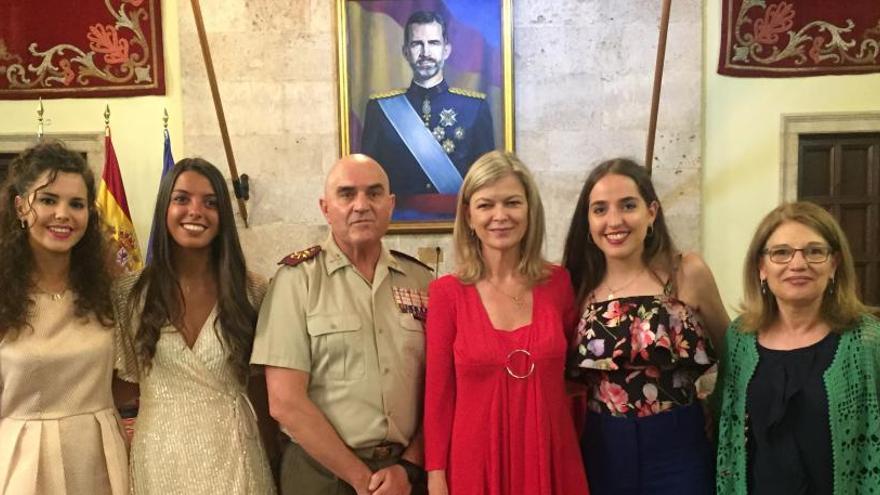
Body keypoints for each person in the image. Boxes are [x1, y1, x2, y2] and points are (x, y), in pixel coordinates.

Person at [251, 154, 434, 495]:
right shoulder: (297, 281)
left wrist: (408, 468)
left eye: (374, 193)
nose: (361, 205)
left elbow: (439, 391)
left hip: (404, 476)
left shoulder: (422, 282)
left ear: (390, 204)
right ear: (325, 207)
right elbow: (284, 401)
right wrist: (362, 480)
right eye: (347, 194)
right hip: (322, 475)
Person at [424, 150, 589, 494]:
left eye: (512, 202)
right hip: (474, 463)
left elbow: (578, 378)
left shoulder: (559, 284)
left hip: (551, 455)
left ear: (530, 210)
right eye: (486, 205)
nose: (500, 216)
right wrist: (436, 475)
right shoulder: (447, 293)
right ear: (468, 216)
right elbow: (438, 396)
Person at [562, 158, 729, 495]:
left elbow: (735, 352)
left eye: (628, 205)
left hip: (679, 444)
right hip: (601, 445)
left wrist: (717, 407)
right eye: (600, 209)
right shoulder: (576, 284)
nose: (614, 221)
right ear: (588, 221)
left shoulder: (686, 272)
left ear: (652, 212)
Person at [113, 158, 275, 494]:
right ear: (165, 208)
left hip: (235, 455)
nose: (196, 211)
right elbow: (120, 390)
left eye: (210, 202)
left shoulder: (253, 291)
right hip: (160, 457)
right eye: (182, 199)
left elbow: (264, 392)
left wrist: (277, 462)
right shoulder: (129, 293)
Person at [715, 201, 880, 495]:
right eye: (781, 253)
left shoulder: (866, 340)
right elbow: (726, 427)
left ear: (835, 263)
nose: (798, 264)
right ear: (761, 267)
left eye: (815, 251)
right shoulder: (740, 338)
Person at [0, 140, 129, 494]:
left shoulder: (107, 289)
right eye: (47, 200)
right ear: (20, 207)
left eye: (76, 204)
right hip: (22, 463)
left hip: (100, 459)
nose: (63, 214)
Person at [361, 10, 495, 221]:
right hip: (396, 222)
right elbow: (368, 180)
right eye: (417, 44)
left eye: (433, 43)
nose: (425, 52)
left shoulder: (475, 107)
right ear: (406, 52)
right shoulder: (379, 109)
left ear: (446, 50)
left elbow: (488, 181)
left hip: (461, 222)